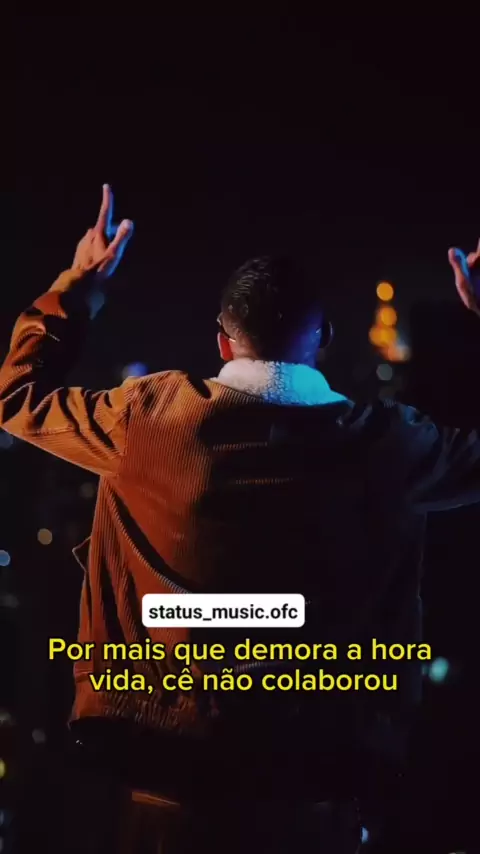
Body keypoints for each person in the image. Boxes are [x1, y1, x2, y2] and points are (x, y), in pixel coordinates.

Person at [1, 185, 479, 853]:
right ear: (326, 340)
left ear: (223, 342)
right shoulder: (388, 445)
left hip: (163, 777)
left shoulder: (150, 420)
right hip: (319, 787)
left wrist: (76, 289)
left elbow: (18, 395)